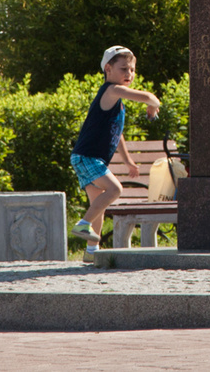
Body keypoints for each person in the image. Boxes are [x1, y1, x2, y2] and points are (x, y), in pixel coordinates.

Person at [69, 45, 160, 263]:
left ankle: (92, 253)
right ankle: (82, 225)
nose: (129, 74)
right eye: (123, 69)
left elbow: (116, 135)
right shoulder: (112, 90)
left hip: (88, 157)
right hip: (88, 157)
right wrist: (152, 107)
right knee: (115, 189)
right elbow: (150, 97)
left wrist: (128, 161)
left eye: (132, 70)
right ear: (108, 69)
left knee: (98, 205)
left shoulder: (116, 103)